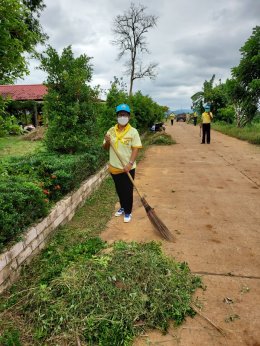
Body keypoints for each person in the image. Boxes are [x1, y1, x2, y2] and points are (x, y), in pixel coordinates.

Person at [103, 104, 142, 223]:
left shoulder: (133, 132)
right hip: (115, 167)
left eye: (125, 115)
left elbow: (136, 148)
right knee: (119, 190)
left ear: (129, 117)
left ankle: (128, 211)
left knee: (128, 190)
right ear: (117, 116)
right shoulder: (111, 130)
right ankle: (123, 207)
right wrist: (108, 142)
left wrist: (130, 164)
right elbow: (105, 147)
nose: (122, 117)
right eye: (120, 115)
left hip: (127, 167)